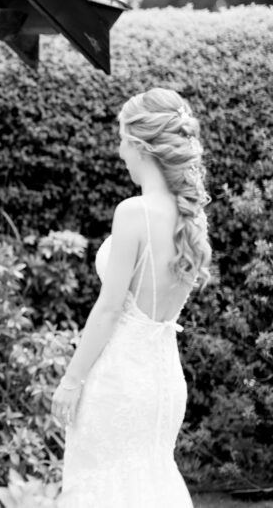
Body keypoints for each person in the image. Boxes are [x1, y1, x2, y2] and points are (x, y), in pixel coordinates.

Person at [52, 88, 211, 507]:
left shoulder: (133, 212)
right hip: (163, 383)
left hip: (118, 380)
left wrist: (71, 381)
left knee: (103, 487)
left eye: (123, 140)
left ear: (141, 146)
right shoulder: (191, 218)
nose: (120, 152)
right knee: (150, 481)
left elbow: (108, 310)